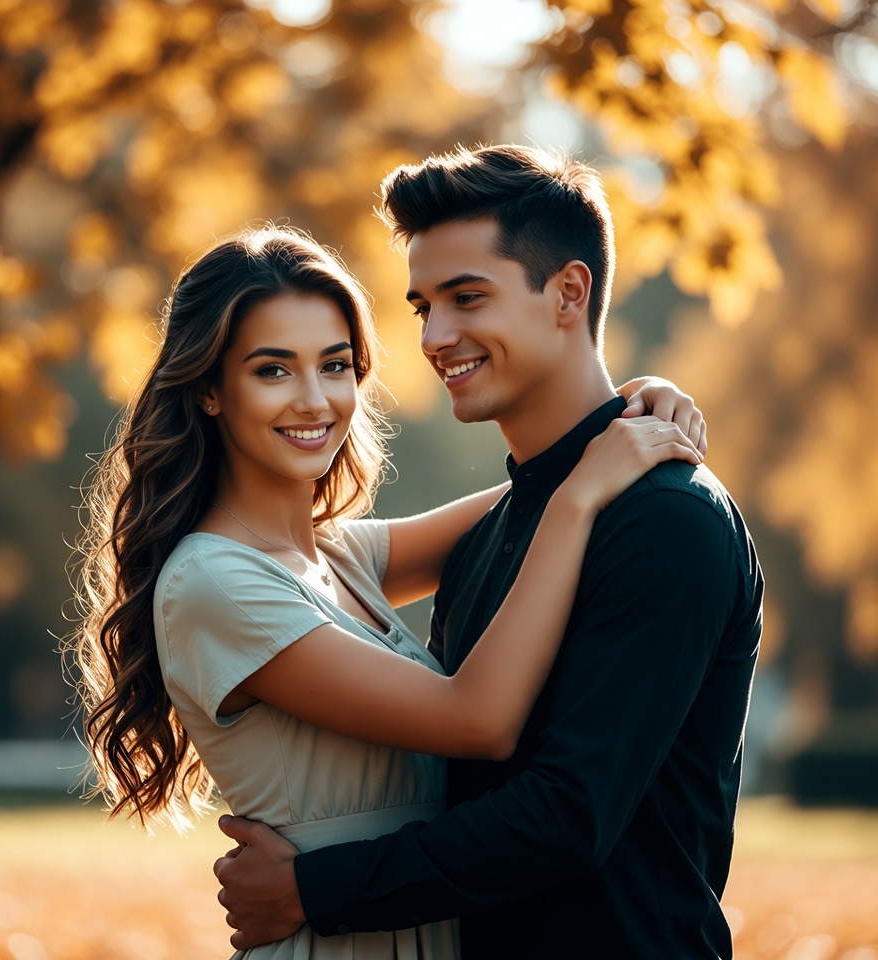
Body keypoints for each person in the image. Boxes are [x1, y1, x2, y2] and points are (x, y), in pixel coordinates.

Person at [66, 223, 704, 960]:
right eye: (273, 371)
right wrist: (580, 497)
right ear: (210, 390)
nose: (315, 400)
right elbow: (479, 719)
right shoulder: (215, 582)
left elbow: (532, 487)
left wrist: (626, 407)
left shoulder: (340, 557)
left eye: (335, 365)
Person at [213, 147, 763, 959]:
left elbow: (567, 815)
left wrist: (313, 889)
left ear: (569, 293)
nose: (436, 337)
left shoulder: (667, 522)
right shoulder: (498, 531)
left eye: (467, 298)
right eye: (422, 307)